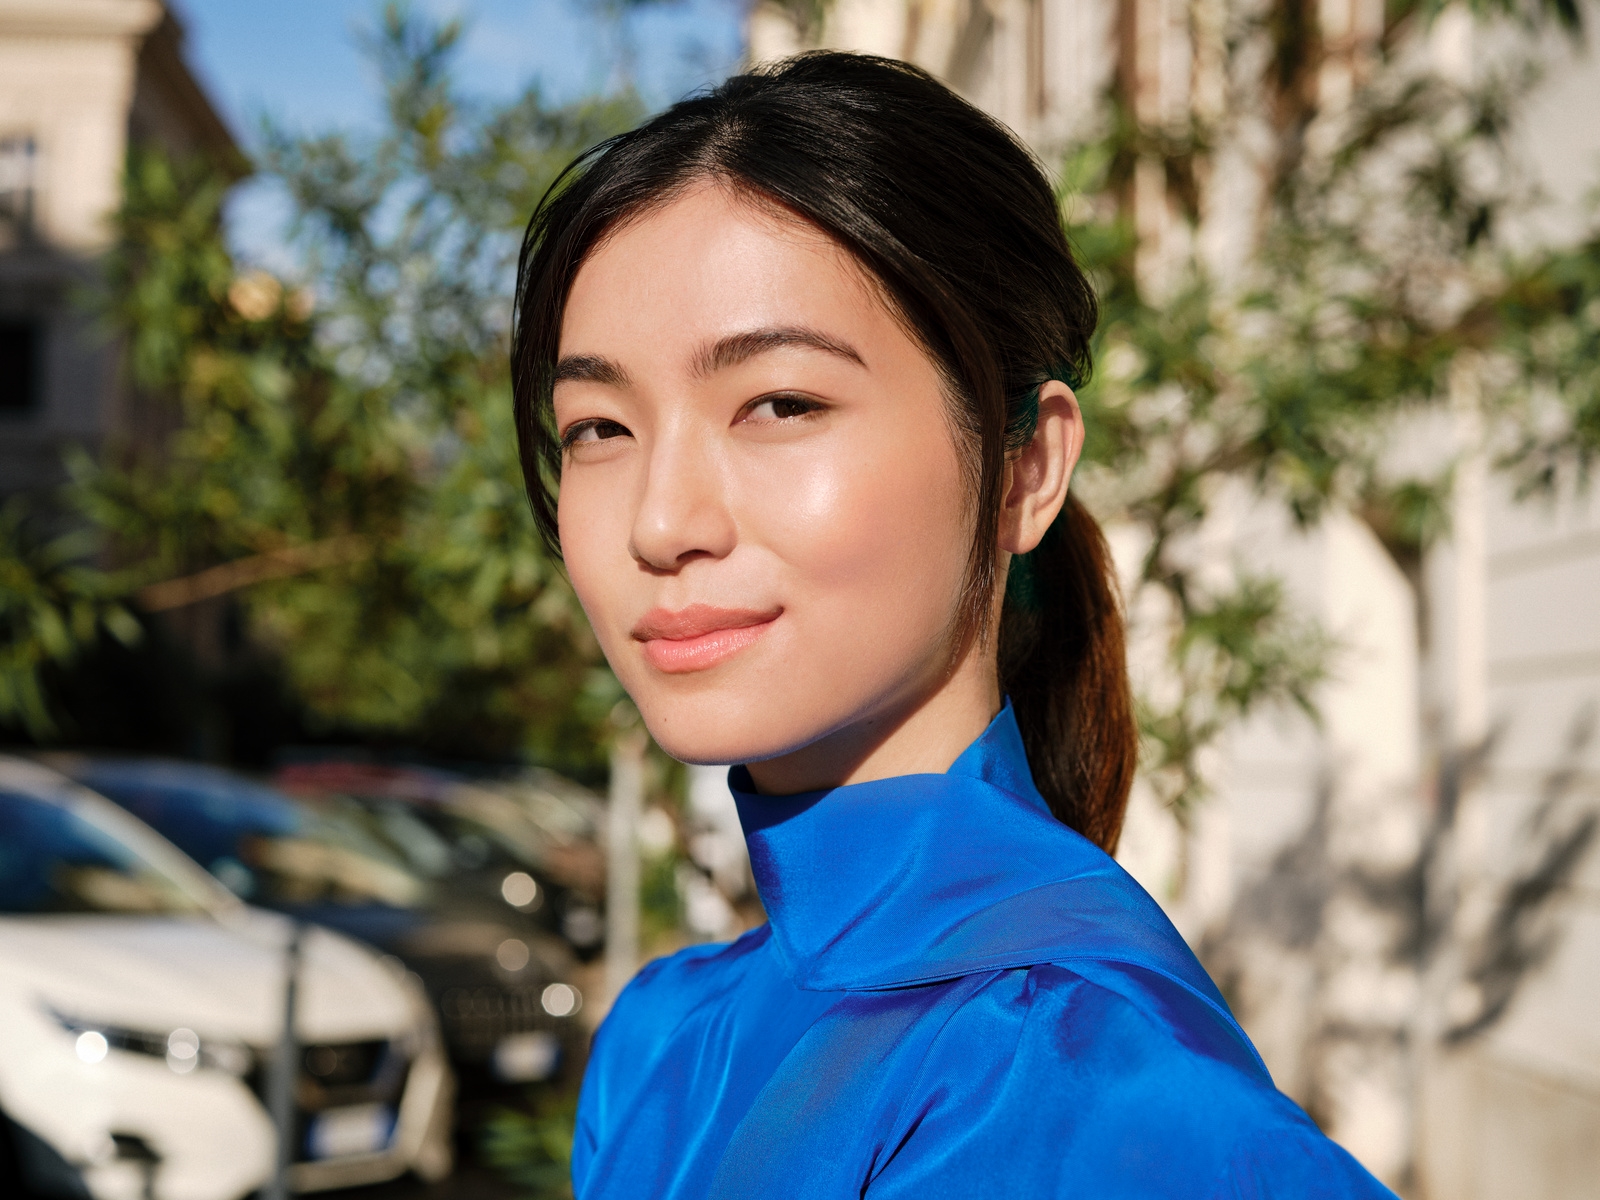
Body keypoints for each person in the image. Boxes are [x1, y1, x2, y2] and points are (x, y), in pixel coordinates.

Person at [512, 51, 1396, 1200]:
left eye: (780, 403)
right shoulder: (659, 1040)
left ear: (1026, 467)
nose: (661, 520)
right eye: (597, 428)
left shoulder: (1087, 1084)